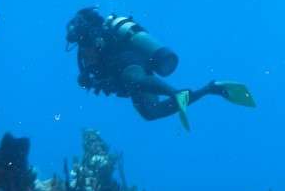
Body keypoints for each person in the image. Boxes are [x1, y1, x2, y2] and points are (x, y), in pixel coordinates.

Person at [65, 8, 255, 130]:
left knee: (134, 78)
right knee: (150, 113)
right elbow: (89, 75)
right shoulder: (84, 48)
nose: (84, 51)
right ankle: (210, 88)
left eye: (84, 42)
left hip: (131, 63)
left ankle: (176, 93)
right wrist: (89, 81)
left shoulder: (101, 36)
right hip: (126, 80)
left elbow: (114, 65)